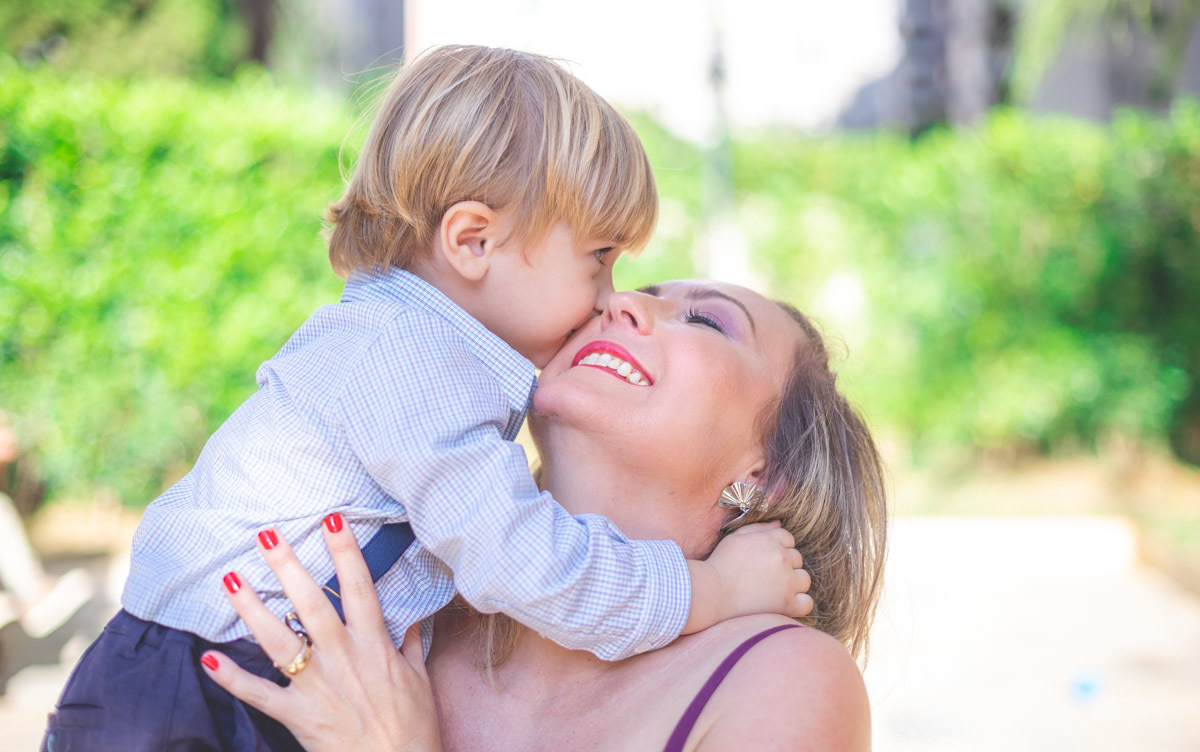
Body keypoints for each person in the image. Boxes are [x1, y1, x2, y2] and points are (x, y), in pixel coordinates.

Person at [42, 48, 809, 752]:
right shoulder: (414, 366)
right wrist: (712, 588)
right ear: (472, 241)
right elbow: (533, 567)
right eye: (600, 259)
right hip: (197, 696)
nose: (611, 300)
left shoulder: (399, 346)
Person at [204, 280, 889, 751]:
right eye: (631, 290)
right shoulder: (406, 606)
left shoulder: (782, 678)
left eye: (705, 320)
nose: (617, 302)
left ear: (769, 475)